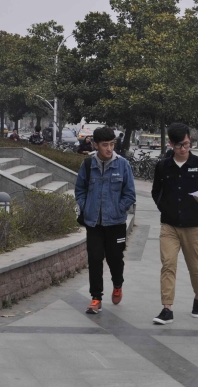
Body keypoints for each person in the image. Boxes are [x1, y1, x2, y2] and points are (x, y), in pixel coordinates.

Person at [151, 123, 198, 325]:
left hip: (193, 224)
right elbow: (156, 191)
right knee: (168, 264)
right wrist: (164, 207)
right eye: (179, 145)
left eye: (187, 144)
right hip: (169, 225)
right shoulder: (163, 166)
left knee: (194, 266)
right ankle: (167, 308)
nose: (183, 148)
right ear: (171, 144)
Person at [75, 126, 136, 314]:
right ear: (96, 145)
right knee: (94, 259)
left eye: (111, 144)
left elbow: (130, 194)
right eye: (105, 145)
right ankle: (96, 298)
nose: (109, 149)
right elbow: (80, 190)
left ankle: (117, 284)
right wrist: (86, 207)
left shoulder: (123, 165)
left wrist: (118, 209)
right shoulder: (87, 164)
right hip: (93, 223)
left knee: (115, 258)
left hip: (116, 223)